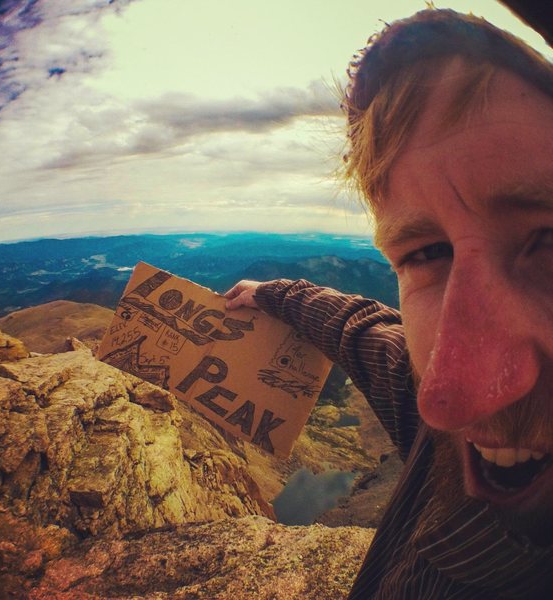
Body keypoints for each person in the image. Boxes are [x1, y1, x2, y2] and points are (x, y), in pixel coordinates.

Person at [225, 9, 553, 599]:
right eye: (428, 253)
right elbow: (364, 331)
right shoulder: (439, 438)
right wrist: (272, 294)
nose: (447, 396)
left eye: (549, 239)